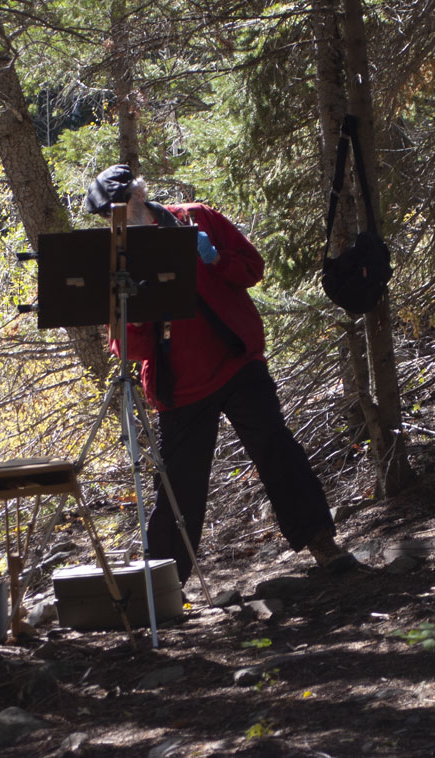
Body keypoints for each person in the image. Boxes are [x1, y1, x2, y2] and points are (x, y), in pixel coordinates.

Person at [84, 164, 357, 584]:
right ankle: (165, 585)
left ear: (139, 196)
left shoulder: (197, 217)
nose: (115, 220)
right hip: (181, 385)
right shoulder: (117, 259)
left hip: (237, 362)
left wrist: (213, 258)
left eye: (119, 208)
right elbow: (127, 349)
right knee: (179, 487)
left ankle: (323, 545)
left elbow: (252, 268)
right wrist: (133, 307)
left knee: (276, 451)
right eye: (107, 215)